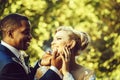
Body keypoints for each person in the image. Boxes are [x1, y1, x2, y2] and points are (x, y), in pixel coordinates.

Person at [0, 13, 62, 80]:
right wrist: (54, 68)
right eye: (26, 32)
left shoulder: (9, 54)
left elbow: (24, 77)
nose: (30, 37)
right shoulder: (8, 65)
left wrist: (40, 64)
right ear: (10, 34)